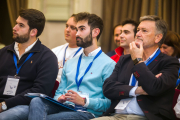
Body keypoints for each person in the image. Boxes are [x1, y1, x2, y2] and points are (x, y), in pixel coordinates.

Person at [28, 12, 116, 120]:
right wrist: (59, 98)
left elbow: (109, 103)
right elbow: (58, 93)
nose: (77, 33)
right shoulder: (70, 62)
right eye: (77, 29)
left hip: (87, 112)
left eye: (82, 29)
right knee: (37, 101)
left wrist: (84, 101)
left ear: (95, 32)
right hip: (65, 106)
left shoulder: (109, 64)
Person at [92, 15, 179, 120]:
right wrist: (137, 90)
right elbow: (108, 88)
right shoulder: (125, 59)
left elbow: (154, 88)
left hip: (146, 116)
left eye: (144, 31)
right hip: (115, 115)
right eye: (138, 30)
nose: (138, 34)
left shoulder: (169, 62)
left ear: (158, 37)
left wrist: (138, 61)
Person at [0, 9, 58, 120]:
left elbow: (39, 91)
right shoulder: (3, 53)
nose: (14, 28)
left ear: (33, 32)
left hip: (25, 105)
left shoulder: (47, 57)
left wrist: (4, 105)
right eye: (16, 23)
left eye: (21, 25)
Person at [52, 14, 83, 83]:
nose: (67, 30)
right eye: (66, 26)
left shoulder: (85, 53)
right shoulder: (54, 52)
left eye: (72, 27)